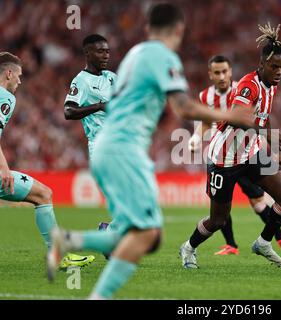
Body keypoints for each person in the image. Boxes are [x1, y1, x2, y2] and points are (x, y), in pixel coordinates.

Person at [46, 3, 254, 299]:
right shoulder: (161, 56)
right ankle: (71, 248)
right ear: (179, 29)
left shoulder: (136, 54)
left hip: (116, 147)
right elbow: (183, 106)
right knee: (146, 233)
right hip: (122, 148)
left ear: (148, 29)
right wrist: (233, 116)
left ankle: (70, 241)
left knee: (148, 235)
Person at [180, 22, 281, 269]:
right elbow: (239, 119)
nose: (279, 72)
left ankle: (264, 243)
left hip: (251, 152)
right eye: (274, 66)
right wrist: (272, 137)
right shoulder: (248, 85)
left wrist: (271, 150)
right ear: (262, 64)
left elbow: (264, 118)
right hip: (224, 159)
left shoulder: (271, 85)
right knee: (218, 220)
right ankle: (188, 248)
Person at [0, 52, 94, 268]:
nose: (20, 81)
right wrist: (4, 168)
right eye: (19, 75)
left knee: (43, 194)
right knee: (44, 194)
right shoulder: (5, 98)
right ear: (8, 73)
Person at [64, 34, 117, 236]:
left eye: (108, 51)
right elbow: (68, 111)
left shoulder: (112, 77)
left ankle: (108, 232)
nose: (106, 55)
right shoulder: (81, 82)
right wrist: (100, 106)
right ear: (88, 53)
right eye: (100, 51)